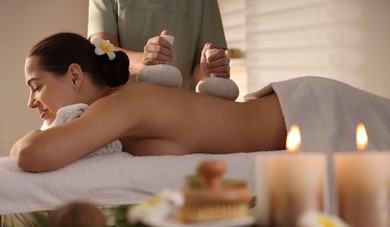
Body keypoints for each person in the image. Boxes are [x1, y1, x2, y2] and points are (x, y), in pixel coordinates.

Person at [11, 33, 286, 173]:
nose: (31, 103)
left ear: (74, 75)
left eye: (36, 87)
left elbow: (32, 154)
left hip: (296, 113)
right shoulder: (119, 110)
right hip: (286, 121)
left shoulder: (119, 105)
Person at [87, 0, 230, 90]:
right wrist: (144, 60)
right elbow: (101, 49)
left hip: (183, 109)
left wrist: (208, 71)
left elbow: (201, 67)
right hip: (125, 107)